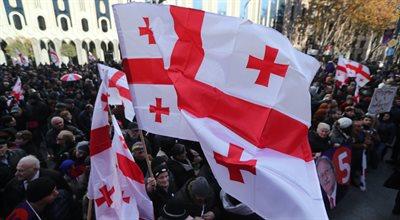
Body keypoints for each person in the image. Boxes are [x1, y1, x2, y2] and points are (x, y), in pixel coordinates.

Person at [2, 155, 70, 216]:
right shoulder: (13, 184)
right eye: (17, 170)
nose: (16, 174)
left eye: (21, 171)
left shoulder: (54, 177)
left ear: (35, 169)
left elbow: (67, 195)